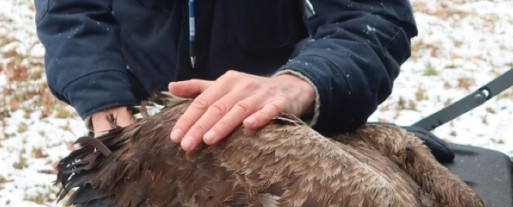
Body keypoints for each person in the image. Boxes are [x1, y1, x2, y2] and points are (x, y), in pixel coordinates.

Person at [34, 0, 418, 152]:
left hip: (274, 136)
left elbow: (370, 18)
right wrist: (104, 102)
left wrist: (301, 83)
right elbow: (71, 8)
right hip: (145, 125)